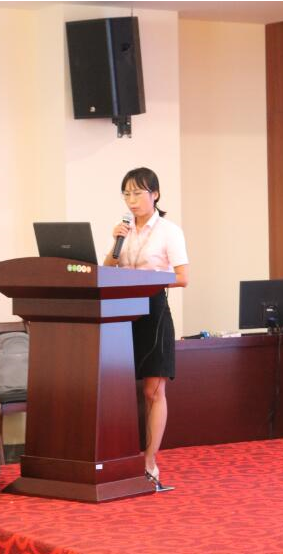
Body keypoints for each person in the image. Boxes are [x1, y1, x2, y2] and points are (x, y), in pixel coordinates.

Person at [104, 167, 189, 488]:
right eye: (126, 194)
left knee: (153, 390)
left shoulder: (169, 231)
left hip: (153, 312)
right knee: (119, 390)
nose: (131, 200)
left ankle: (149, 462)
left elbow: (182, 277)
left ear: (155, 194)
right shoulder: (123, 231)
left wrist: (145, 279)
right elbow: (107, 269)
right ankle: (119, 458)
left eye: (137, 193)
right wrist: (114, 244)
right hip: (121, 313)